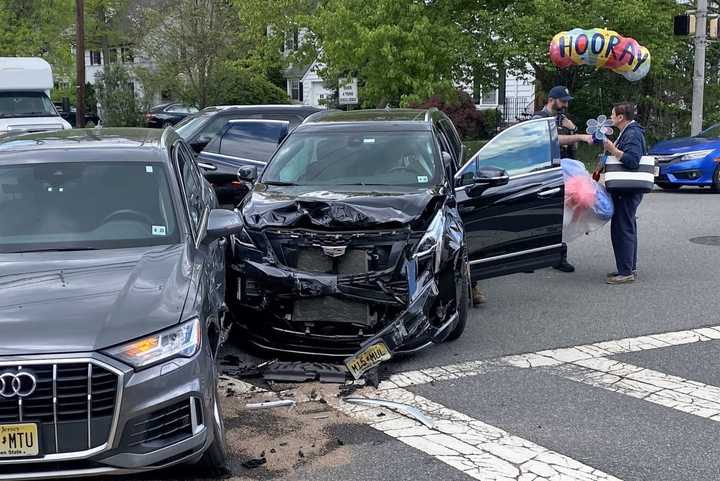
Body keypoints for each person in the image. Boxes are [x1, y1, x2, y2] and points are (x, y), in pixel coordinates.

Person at [532, 85, 593, 273]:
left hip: (562, 173)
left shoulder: (563, 120)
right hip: (542, 172)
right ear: (552, 99)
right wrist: (580, 136)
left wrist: (573, 128)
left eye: (567, 101)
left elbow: (570, 149)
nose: (566, 104)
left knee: (562, 215)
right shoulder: (539, 119)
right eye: (563, 101)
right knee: (540, 216)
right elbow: (552, 140)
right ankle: (532, 257)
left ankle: (559, 257)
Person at [602, 102, 646, 285]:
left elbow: (633, 161)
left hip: (627, 190)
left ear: (621, 117)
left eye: (613, 114)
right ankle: (628, 267)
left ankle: (626, 272)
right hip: (626, 189)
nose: (611, 117)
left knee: (623, 228)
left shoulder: (633, 133)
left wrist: (613, 150)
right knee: (627, 226)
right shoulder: (629, 131)